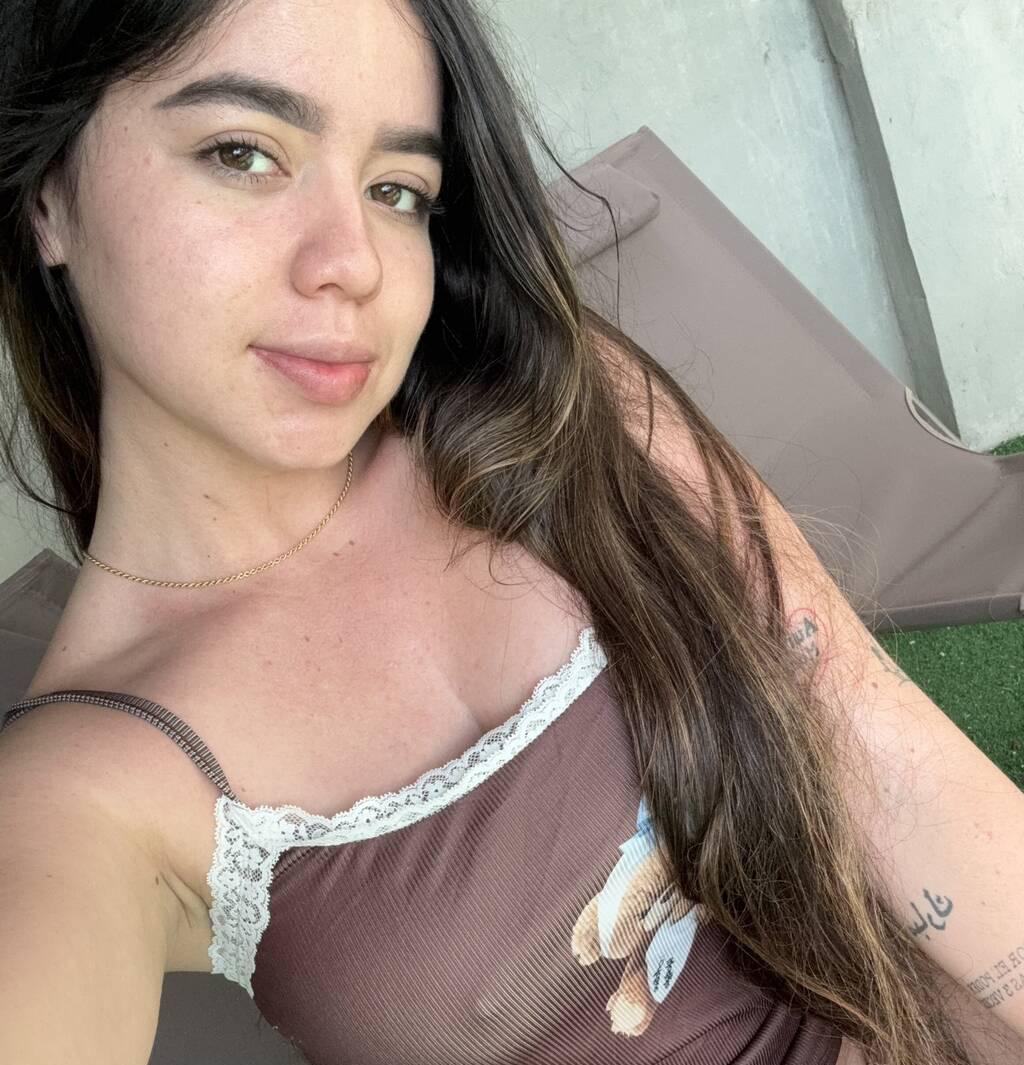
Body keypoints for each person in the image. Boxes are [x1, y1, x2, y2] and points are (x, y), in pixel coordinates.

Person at [1, 2, 1021, 1063]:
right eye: (243, 153)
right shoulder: (84, 785)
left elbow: (896, 773)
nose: (353, 261)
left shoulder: (559, 409)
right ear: (48, 198)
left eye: (397, 190)